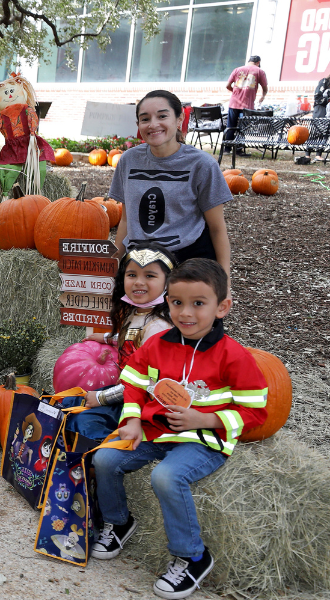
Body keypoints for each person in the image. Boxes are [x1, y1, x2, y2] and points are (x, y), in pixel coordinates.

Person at [91, 259, 267, 599]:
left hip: (203, 440)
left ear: (222, 307)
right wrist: (130, 420)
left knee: (166, 477)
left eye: (198, 304)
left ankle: (193, 556)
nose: (186, 313)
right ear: (166, 302)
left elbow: (256, 414)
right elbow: (134, 386)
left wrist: (206, 420)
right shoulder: (156, 346)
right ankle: (119, 521)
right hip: (156, 432)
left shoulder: (234, 357)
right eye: (177, 303)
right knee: (106, 459)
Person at [111, 90, 232, 279]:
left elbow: (217, 229)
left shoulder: (201, 164)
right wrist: (116, 265)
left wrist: (224, 281)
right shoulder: (128, 160)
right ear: (138, 125)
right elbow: (126, 220)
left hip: (187, 262)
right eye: (145, 119)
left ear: (179, 120)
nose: (153, 124)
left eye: (162, 116)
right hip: (138, 262)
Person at [62, 242, 177, 440]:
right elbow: (133, 340)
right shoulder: (138, 312)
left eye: (149, 275)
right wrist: (107, 338)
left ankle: (109, 450)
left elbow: (147, 382)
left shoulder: (159, 327)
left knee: (83, 422)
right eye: (132, 275)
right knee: (68, 403)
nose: (139, 282)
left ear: (168, 282)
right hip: (125, 390)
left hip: (142, 402)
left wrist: (102, 397)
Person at [223, 56, 268, 158]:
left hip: (234, 102)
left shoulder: (237, 70)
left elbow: (227, 85)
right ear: (258, 62)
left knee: (230, 126)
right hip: (247, 105)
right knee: (243, 127)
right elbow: (265, 88)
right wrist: (262, 97)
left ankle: (227, 149)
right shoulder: (260, 71)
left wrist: (235, 92)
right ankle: (239, 150)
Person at [296, 74, 330, 164]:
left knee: (325, 133)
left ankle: (318, 155)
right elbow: (318, 98)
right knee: (315, 132)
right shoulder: (324, 82)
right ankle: (307, 155)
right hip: (320, 109)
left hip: (328, 110)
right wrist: (328, 99)